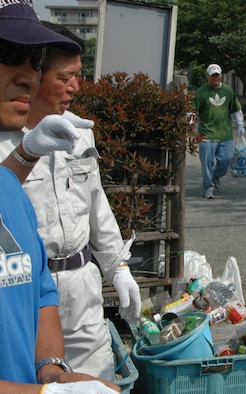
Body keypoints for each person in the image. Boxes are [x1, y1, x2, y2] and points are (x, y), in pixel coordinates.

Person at [0, 22, 141, 381]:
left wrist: (118, 268)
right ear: (39, 75)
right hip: (26, 288)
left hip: (81, 285)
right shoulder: (5, 143)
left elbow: (96, 204)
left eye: (78, 76)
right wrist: (26, 152)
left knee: (97, 379)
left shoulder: (78, 131)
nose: (75, 87)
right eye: (65, 77)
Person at [191, 63, 245, 199]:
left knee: (226, 159)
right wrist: (188, 127)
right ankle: (208, 187)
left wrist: (240, 124)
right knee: (207, 163)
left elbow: (236, 109)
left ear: (221, 75)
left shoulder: (228, 91)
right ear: (207, 76)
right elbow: (192, 111)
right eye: (212, 75)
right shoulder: (201, 92)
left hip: (225, 134)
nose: (215, 78)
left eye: (217, 75)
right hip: (206, 134)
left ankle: (216, 176)